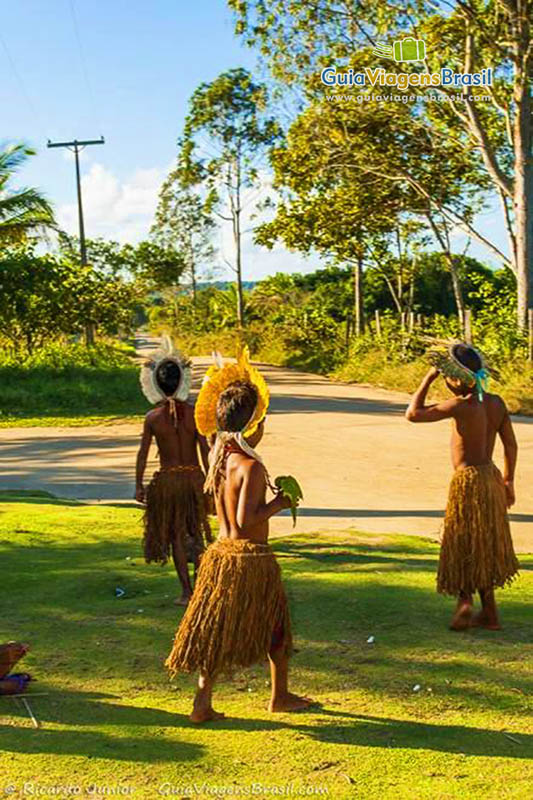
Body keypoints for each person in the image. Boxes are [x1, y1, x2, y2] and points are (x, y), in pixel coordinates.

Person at [165, 348, 312, 722]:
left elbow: (218, 509)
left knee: (215, 629)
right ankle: (278, 696)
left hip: (221, 555)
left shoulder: (221, 458)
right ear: (253, 427)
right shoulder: (250, 465)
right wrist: (281, 503)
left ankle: (204, 702)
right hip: (251, 559)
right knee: (277, 628)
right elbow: (248, 520)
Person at [406, 342, 519, 631]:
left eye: (446, 377)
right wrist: (508, 480)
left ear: (457, 379)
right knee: (485, 544)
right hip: (491, 479)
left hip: (467, 483)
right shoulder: (496, 403)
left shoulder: (459, 405)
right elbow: (511, 444)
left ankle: (465, 604)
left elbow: (413, 414)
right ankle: (489, 612)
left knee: (463, 542)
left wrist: (427, 378)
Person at [136, 336, 212, 606]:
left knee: (178, 536)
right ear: (183, 382)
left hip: (168, 481)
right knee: (198, 532)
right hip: (194, 478)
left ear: (155, 383)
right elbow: (205, 449)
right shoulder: (194, 414)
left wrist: (138, 485)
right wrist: (210, 479)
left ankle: (187, 592)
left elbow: (143, 455)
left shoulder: (153, 418)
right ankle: (202, 588)